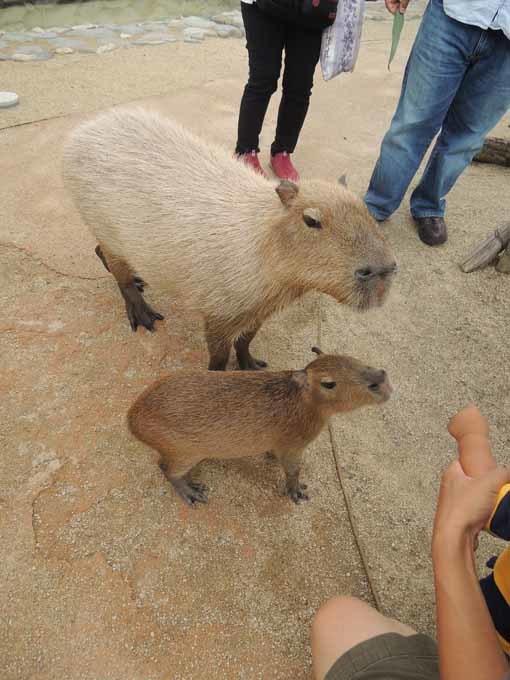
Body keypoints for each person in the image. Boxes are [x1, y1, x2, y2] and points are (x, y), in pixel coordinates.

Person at [310, 458, 510, 680]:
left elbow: (482, 487)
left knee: (337, 619)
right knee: (336, 617)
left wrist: (453, 539)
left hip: (488, 627)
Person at [364, 0, 510, 246]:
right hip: (453, 14)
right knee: (412, 123)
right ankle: (376, 204)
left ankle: (429, 205)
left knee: (468, 137)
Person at [234, 0, 325, 182]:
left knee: (300, 84)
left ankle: (282, 152)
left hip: (311, 8)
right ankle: (246, 151)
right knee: (263, 79)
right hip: (261, 6)